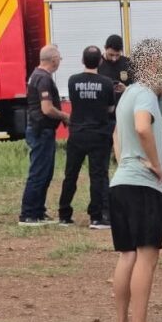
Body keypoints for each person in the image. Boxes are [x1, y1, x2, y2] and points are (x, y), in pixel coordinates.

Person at [109, 38, 162, 322]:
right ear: (153, 66)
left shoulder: (127, 95)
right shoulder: (146, 95)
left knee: (127, 256)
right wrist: (155, 163)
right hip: (142, 185)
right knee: (147, 257)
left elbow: (116, 136)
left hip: (120, 181)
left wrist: (127, 158)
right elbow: (141, 128)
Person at [57, 46, 115, 229]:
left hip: (77, 134)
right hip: (99, 135)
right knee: (98, 175)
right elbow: (110, 109)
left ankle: (64, 214)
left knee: (71, 174)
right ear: (100, 61)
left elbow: (75, 102)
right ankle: (97, 217)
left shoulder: (73, 81)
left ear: (82, 60)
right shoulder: (106, 83)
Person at [19, 45, 70, 226]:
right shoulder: (43, 79)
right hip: (41, 131)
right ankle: (28, 214)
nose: (59, 62)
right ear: (53, 59)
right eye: (59, 58)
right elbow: (46, 109)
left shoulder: (36, 75)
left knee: (44, 172)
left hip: (39, 130)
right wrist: (65, 116)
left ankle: (38, 211)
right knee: (39, 172)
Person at [98, 34, 131, 102]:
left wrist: (126, 89)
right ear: (105, 48)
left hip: (124, 106)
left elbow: (137, 88)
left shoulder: (128, 63)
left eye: (117, 55)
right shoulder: (97, 63)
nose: (114, 59)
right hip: (104, 106)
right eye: (111, 55)